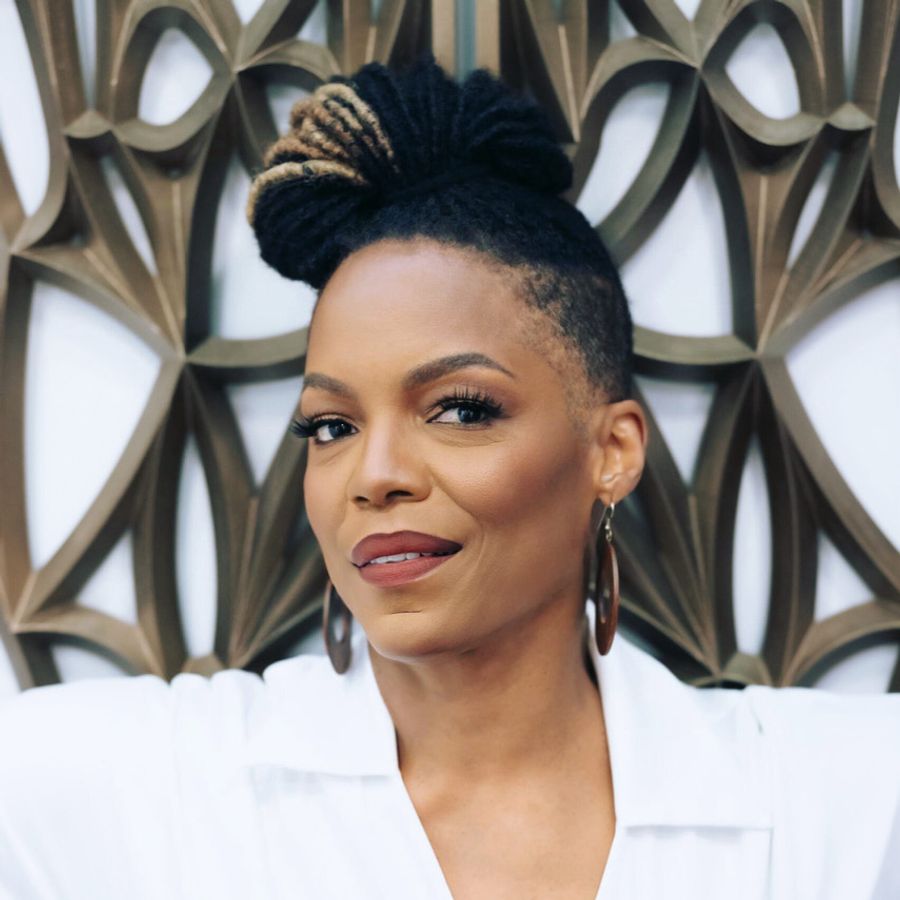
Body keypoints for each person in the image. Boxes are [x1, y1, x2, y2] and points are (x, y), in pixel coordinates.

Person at [1, 54, 898, 900]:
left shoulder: (832, 802)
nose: (374, 476)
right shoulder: (147, 790)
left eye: (461, 410)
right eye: (331, 426)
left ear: (612, 452)